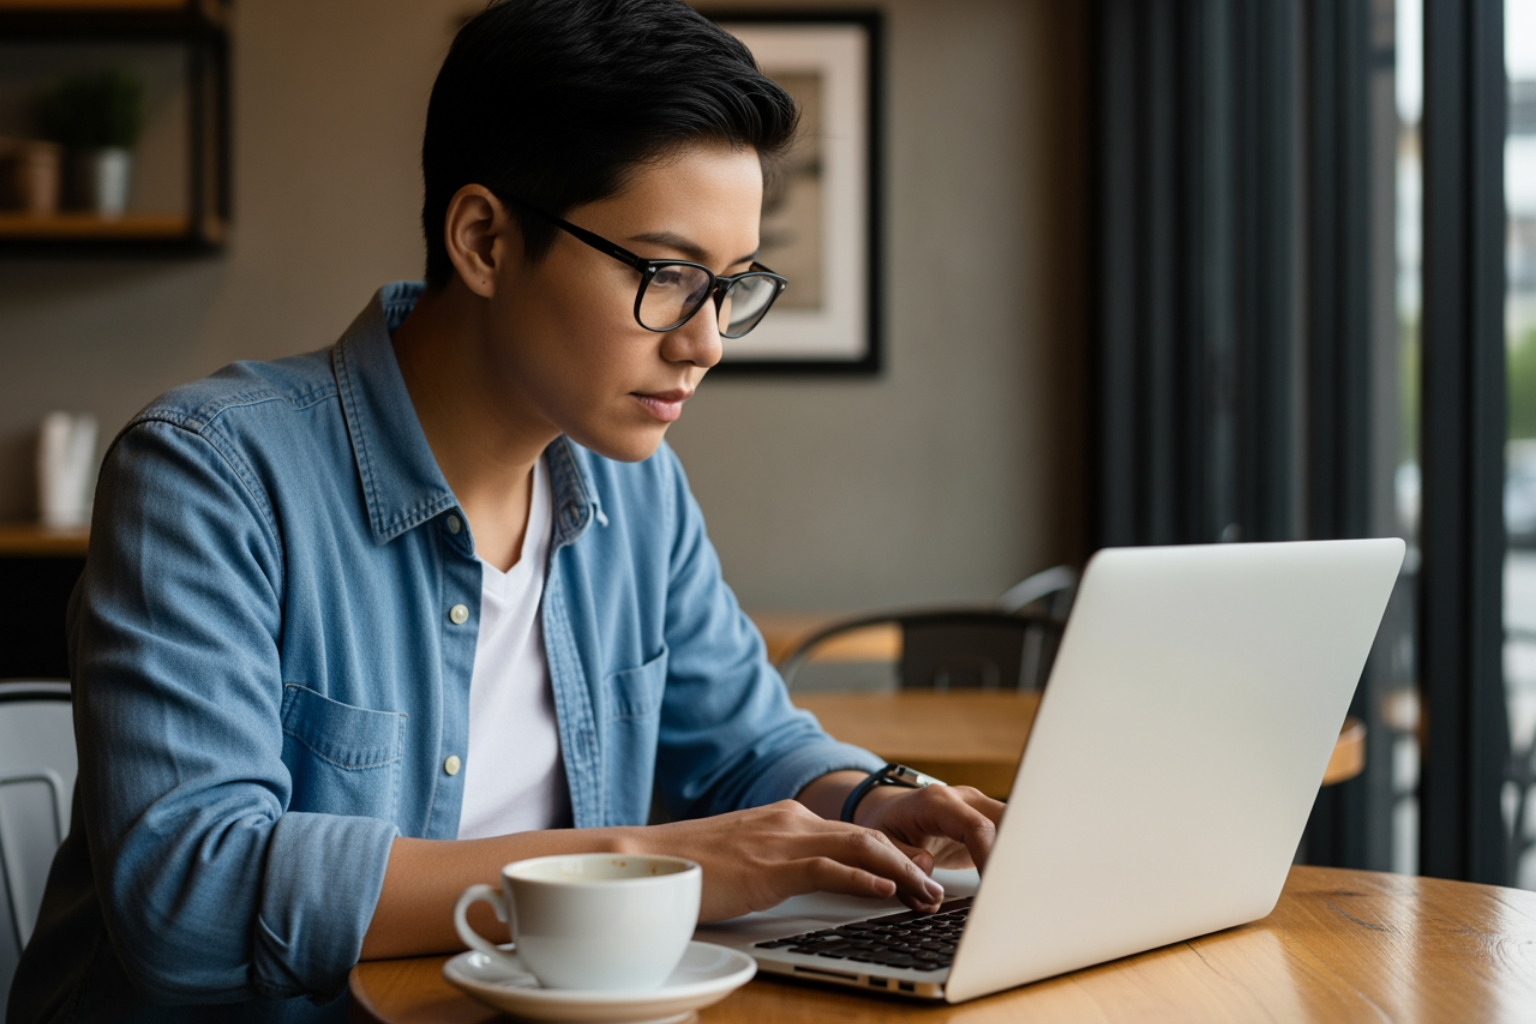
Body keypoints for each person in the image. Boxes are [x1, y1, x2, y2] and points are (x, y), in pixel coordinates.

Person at [9, 2, 1004, 1021]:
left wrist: (872, 796)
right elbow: (191, 900)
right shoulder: (209, 473)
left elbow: (747, 748)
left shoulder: (635, 488)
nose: (706, 342)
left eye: (731, 285)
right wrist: (646, 860)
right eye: (667, 276)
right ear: (484, 239)